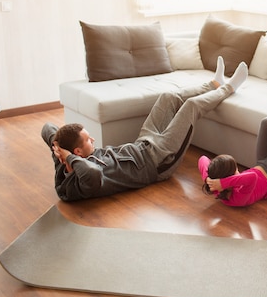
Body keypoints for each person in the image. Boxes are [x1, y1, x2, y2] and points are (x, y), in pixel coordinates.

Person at [41, 57, 248, 202]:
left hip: (142, 143)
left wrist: (57, 147)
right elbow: (92, 173)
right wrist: (68, 157)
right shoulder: (81, 185)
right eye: (87, 140)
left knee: (166, 98)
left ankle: (213, 84)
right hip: (158, 161)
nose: (92, 140)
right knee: (191, 107)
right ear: (76, 153)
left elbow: (47, 128)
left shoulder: (64, 162)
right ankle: (230, 87)